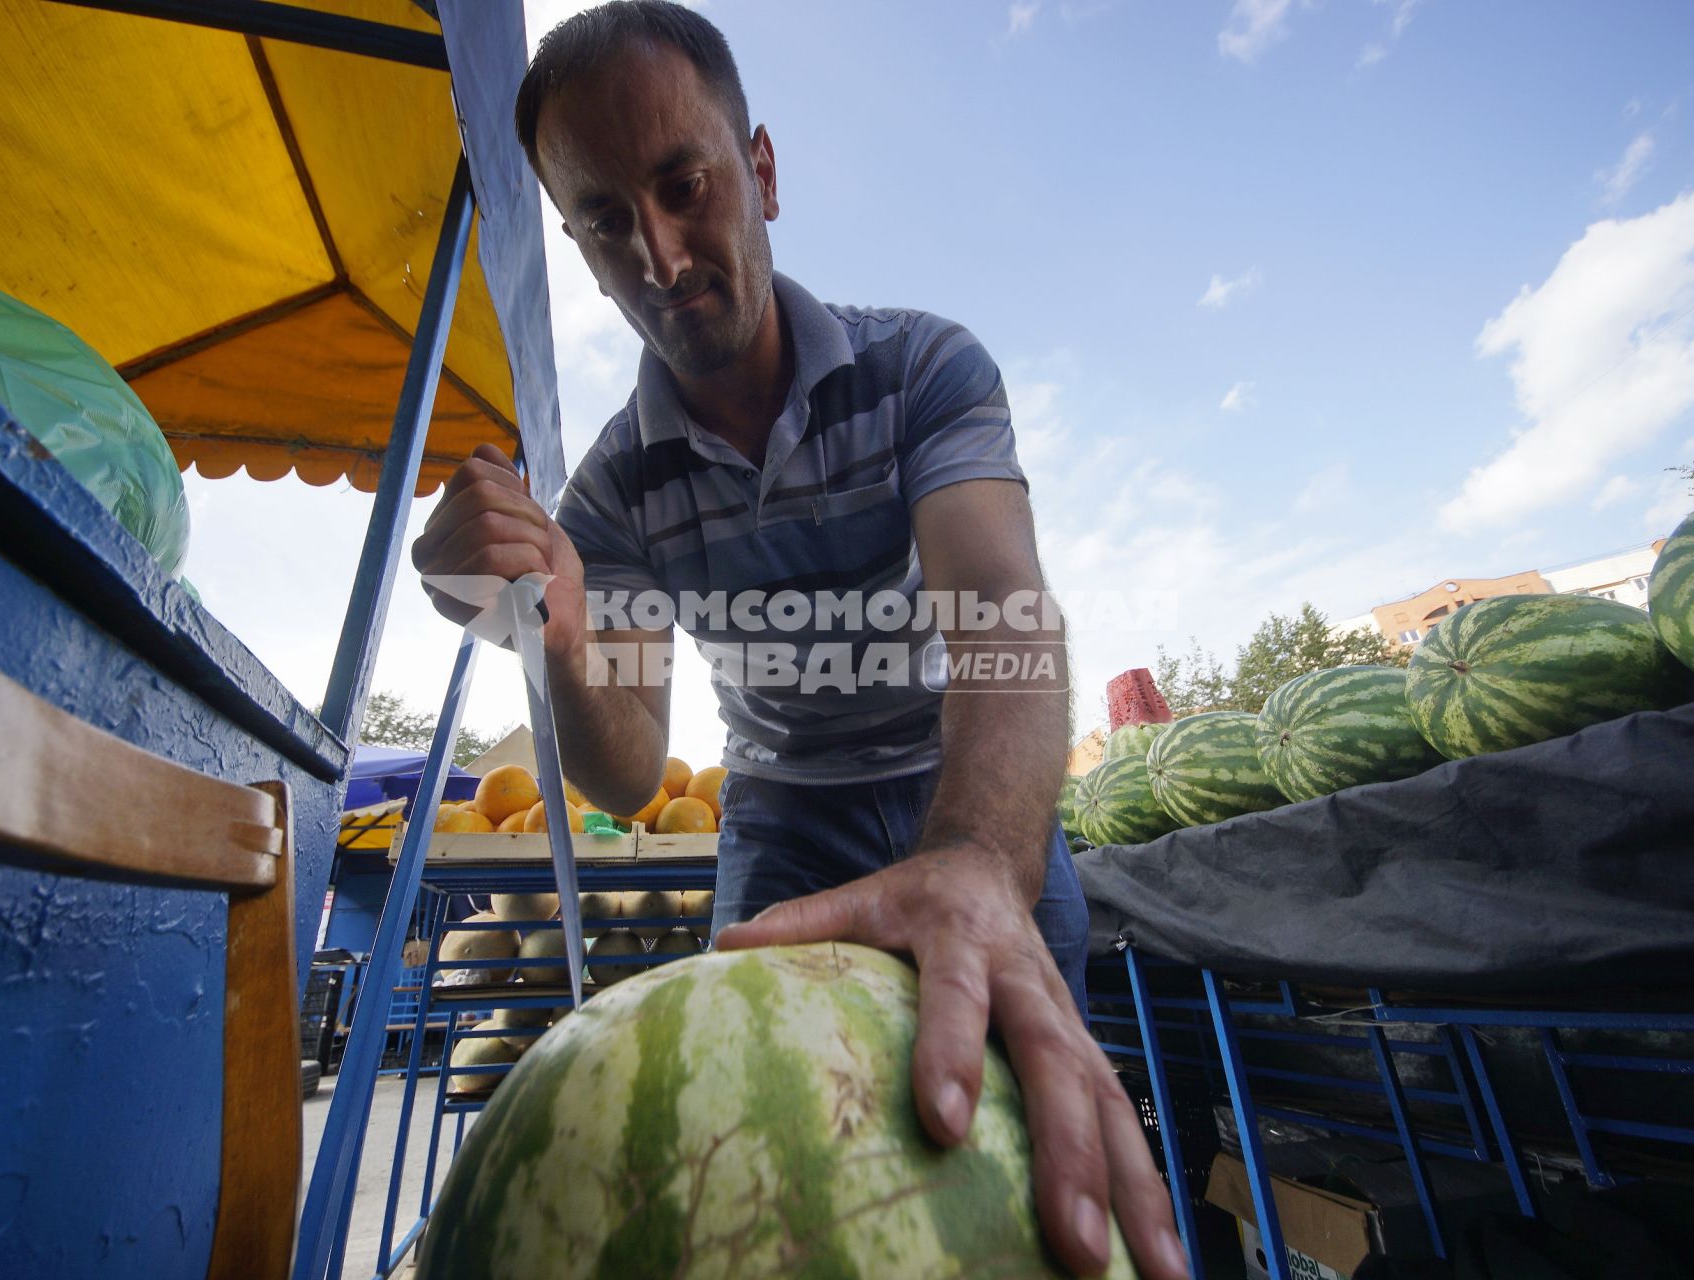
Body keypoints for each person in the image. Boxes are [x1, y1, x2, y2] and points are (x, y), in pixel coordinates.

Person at [412, 4, 1185, 1276]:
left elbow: (996, 611)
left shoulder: (923, 369)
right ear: (578, 244)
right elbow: (622, 765)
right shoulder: (611, 493)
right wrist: (548, 616)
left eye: (683, 185)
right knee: (778, 1185)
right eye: (607, 221)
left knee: (1029, 1156)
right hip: (783, 820)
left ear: (759, 171)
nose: (657, 257)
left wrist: (980, 857)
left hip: (966, 786)